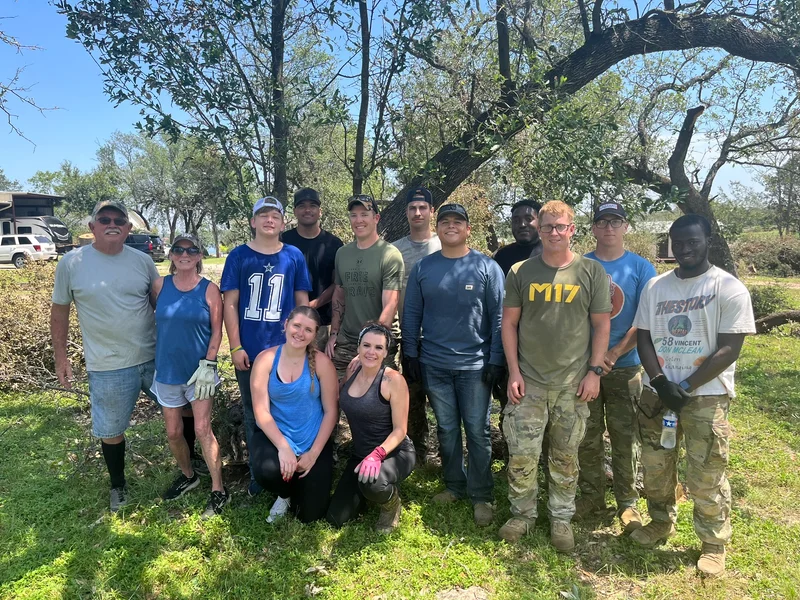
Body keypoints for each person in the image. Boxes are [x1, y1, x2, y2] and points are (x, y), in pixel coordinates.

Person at [630, 214, 755, 577]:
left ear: (708, 240)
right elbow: (644, 337)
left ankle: (713, 543)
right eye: (677, 242)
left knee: (705, 473)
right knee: (655, 467)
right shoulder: (656, 287)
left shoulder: (728, 288)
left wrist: (684, 387)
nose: (684, 249)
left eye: (692, 242)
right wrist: (660, 380)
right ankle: (659, 522)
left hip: (706, 397)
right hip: (658, 394)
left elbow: (730, 348)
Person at [500, 200, 611, 552]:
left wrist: (594, 372)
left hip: (572, 384)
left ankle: (561, 518)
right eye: (547, 227)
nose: (553, 233)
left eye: (560, 226)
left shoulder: (591, 272)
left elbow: (601, 325)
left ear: (572, 229)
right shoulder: (520, 271)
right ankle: (523, 515)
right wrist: (514, 371)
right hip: (529, 382)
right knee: (521, 455)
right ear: (539, 229)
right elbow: (510, 323)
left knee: (565, 457)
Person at [50, 200, 160, 511]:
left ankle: (191, 468)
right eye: (105, 218)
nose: (112, 223)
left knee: (183, 409)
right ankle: (118, 485)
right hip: (107, 364)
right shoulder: (71, 264)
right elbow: (59, 312)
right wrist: (61, 358)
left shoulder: (143, 262)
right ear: (92, 227)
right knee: (111, 430)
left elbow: (160, 307)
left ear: (128, 228)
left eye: (118, 219)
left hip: (153, 358)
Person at [402, 203, 504, 527]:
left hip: (476, 366)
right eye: (444, 221)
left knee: (477, 430)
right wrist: (410, 353)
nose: (450, 225)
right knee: (446, 429)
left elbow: (499, 318)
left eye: (457, 221)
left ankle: (482, 494)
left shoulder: (487, 268)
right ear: (438, 227)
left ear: (467, 229)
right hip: (434, 364)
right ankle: (455, 485)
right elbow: (412, 313)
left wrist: (496, 360)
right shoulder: (423, 268)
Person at [221, 197, 312, 496]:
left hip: (288, 350)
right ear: (252, 221)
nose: (269, 220)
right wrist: (235, 347)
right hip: (251, 350)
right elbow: (230, 304)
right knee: (253, 412)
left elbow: (302, 304)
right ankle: (261, 473)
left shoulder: (294, 255)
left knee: (289, 407)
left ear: (284, 223)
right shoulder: (238, 256)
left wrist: (304, 343)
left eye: (275, 215)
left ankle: (293, 464)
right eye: (263, 215)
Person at [576, 202, 657, 531]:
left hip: (625, 367)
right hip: (585, 368)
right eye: (602, 221)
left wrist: (614, 353)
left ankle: (627, 502)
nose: (609, 227)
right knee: (587, 435)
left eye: (616, 221)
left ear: (626, 227)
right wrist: (594, 358)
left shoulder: (641, 268)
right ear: (593, 228)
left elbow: (646, 318)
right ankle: (591, 495)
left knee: (626, 437)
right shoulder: (580, 266)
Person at [150, 234, 229, 517]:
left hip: (200, 373)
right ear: (171, 255)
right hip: (167, 370)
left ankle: (218, 488)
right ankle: (188, 475)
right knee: (173, 432)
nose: (185, 254)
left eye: (191, 250)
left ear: (199, 256)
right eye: (179, 250)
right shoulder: (160, 285)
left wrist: (209, 364)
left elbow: (217, 331)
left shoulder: (210, 290)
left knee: (201, 429)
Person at [248, 306, 338, 523]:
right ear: (286, 325)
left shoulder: (323, 364)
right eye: (296, 325)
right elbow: (261, 412)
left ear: (315, 334)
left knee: (309, 515)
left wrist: (314, 453)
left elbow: (331, 411)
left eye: (308, 329)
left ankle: (298, 483)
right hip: (278, 436)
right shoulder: (266, 360)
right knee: (268, 471)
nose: (300, 333)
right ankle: (284, 493)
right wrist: (283, 447)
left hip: (312, 440)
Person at [326, 322, 416, 533]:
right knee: (336, 519)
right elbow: (340, 399)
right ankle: (368, 492)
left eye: (378, 347)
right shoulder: (353, 371)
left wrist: (377, 455)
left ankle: (391, 505)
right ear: (358, 347)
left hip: (395, 452)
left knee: (372, 483)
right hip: (361, 455)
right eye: (366, 345)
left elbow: (400, 430)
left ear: (386, 352)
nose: (371, 352)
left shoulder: (393, 380)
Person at [325, 195, 404, 377]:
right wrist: (334, 334)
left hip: (379, 341)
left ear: (376, 218)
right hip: (347, 340)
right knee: (335, 395)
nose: (358, 220)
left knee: (376, 400)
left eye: (364, 214)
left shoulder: (389, 255)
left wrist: (368, 347)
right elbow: (339, 294)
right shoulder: (342, 253)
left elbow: (391, 304)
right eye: (353, 215)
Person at [392, 186, 441, 460]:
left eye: (423, 207)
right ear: (407, 213)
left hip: (441, 337)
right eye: (412, 208)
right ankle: (417, 454)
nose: (418, 212)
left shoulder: (443, 245)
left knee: (442, 400)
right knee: (411, 399)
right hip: (408, 336)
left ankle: (448, 454)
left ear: (431, 211)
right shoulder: (396, 251)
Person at [281, 188, 344, 350]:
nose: (307, 210)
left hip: (322, 323)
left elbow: (338, 283)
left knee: (319, 370)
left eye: (313, 205)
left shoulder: (334, 244)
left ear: (320, 211)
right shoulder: (283, 241)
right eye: (302, 206)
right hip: (287, 321)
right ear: (295, 211)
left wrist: (312, 305)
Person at [493, 199, 543, 276]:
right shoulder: (501, 256)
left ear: (540, 222)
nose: (522, 225)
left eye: (528, 219)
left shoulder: (551, 253)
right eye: (516, 221)